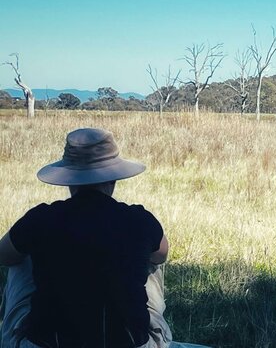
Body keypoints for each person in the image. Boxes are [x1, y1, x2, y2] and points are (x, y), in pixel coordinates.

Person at [0, 128, 173, 348]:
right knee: (152, 259)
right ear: (114, 180)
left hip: (48, 342)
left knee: (20, 258)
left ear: (70, 180)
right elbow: (162, 255)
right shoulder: (139, 219)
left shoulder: (41, 218)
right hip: (131, 342)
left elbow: (3, 255)